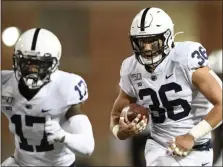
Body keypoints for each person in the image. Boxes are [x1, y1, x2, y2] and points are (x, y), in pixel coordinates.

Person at [109, 7, 222, 166]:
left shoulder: (185, 59)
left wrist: (191, 136)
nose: (147, 49)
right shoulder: (131, 69)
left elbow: (221, 103)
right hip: (158, 146)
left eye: (153, 41)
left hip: (196, 147)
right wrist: (119, 131)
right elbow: (115, 114)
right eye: (142, 42)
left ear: (167, 38)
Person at [1, 28, 95, 166]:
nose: (32, 70)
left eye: (39, 64)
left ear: (53, 65)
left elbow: (87, 147)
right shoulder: (5, 83)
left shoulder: (65, 88)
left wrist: (63, 136)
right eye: (27, 63)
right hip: (21, 162)